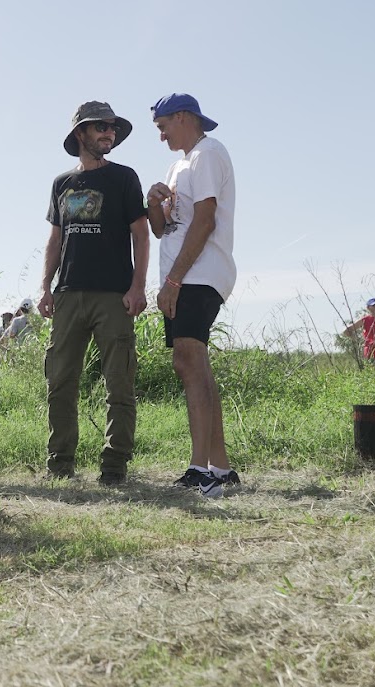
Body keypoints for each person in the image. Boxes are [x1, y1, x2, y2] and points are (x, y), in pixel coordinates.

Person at [37, 101, 149, 485]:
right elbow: (55, 240)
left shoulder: (124, 178)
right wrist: (45, 288)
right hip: (67, 294)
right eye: (100, 127)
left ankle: (114, 466)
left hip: (114, 295)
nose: (109, 133)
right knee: (60, 383)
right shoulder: (61, 184)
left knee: (119, 382)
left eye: (112, 128)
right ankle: (60, 465)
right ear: (80, 134)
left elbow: (140, 233)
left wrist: (138, 286)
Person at [146, 93, 237, 498]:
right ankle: (220, 468)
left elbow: (204, 219)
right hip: (184, 275)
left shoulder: (208, 153)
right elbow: (164, 229)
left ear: (182, 117)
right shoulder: (180, 163)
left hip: (198, 275)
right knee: (193, 364)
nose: (161, 135)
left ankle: (201, 471)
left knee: (188, 362)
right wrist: (153, 204)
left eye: (163, 126)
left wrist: (175, 281)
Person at [342, 298, 375, 368]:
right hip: (371, 354)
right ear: (368, 308)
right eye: (374, 305)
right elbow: (346, 331)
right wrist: (356, 340)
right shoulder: (365, 320)